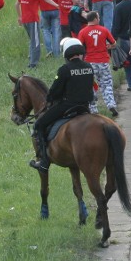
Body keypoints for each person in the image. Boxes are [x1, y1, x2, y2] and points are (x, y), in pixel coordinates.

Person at [29, 38, 95, 171]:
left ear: (66, 53)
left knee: (39, 125)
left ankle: (43, 162)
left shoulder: (64, 69)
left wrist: (50, 98)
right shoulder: (89, 67)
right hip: (85, 107)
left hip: (67, 106)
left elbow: (54, 91)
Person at [77, 11, 119, 117]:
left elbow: (80, 48)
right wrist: (108, 47)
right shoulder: (104, 30)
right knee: (106, 84)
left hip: (89, 62)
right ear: (95, 19)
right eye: (98, 17)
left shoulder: (83, 32)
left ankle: (93, 109)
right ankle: (110, 104)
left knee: (90, 85)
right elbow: (114, 43)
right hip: (104, 61)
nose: (99, 19)